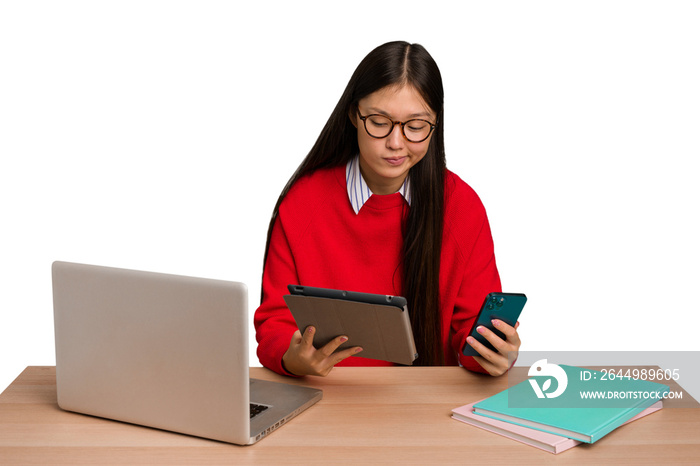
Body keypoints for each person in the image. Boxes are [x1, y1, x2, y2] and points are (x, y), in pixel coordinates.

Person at [254, 41, 521, 378]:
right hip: (325, 397)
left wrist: (492, 352)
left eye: (416, 126)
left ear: (435, 124)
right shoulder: (303, 202)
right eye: (379, 122)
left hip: (422, 404)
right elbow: (274, 321)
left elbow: (469, 330)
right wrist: (294, 357)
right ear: (354, 115)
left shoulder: (462, 206)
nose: (396, 142)